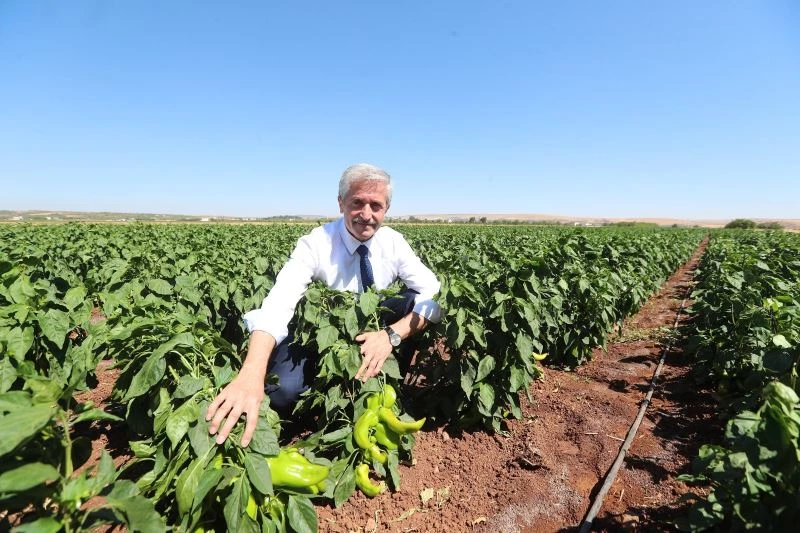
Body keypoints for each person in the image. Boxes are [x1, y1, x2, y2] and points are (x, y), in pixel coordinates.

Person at [206, 163, 441, 447]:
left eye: (376, 205)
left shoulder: (393, 243)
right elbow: (278, 304)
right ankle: (317, 402)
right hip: (321, 335)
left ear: (386, 209)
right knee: (282, 392)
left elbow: (431, 289)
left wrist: (391, 335)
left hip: (376, 331)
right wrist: (250, 373)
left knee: (416, 301)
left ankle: (389, 380)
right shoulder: (316, 244)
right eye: (357, 203)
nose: (366, 214)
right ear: (341, 203)